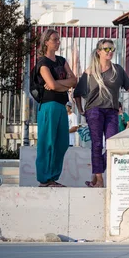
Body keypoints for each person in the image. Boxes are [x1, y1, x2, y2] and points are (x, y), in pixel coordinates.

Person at [74, 39, 129, 188]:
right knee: (97, 144)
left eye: (112, 49)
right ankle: (99, 179)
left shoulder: (117, 70)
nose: (110, 51)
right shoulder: (90, 71)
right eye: (106, 49)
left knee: (112, 143)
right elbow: (77, 93)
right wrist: (80, 110)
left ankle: (96, 174)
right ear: (99, 51)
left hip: (112, 111)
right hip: (94, 110)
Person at [34, 29, 77, 187]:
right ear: (46, 42)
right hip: (48, 105)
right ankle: (45, 179)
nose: (58, 42)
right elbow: (50, 85)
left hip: (61, 105)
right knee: (48, 142)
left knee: (62, 142)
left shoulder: (61, 60)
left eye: (59, 39)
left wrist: (60, 86)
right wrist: (63, 85)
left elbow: (74, 80)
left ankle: (52, 177)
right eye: (54, 39)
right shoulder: (43, 63)